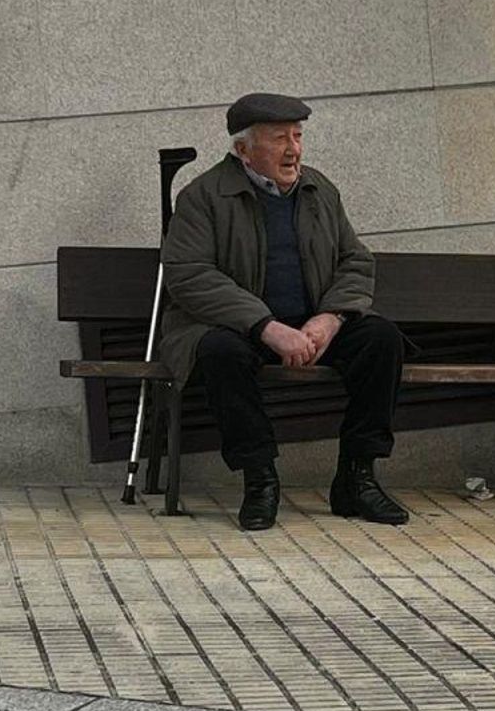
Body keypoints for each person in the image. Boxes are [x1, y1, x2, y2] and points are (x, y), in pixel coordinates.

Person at [158, 92, 409, 531]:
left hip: (312, 326)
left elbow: (355, 260)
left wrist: (330, 318)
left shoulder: (319, 189)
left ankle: (357, 477)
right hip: (238, 328)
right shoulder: (203, 196)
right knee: (219, 353)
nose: (293, 149)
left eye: (297, 136)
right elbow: (189, 274)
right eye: (279, 139)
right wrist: (265, 326)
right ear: (243, 150)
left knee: (381, 340)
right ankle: (260, 479)